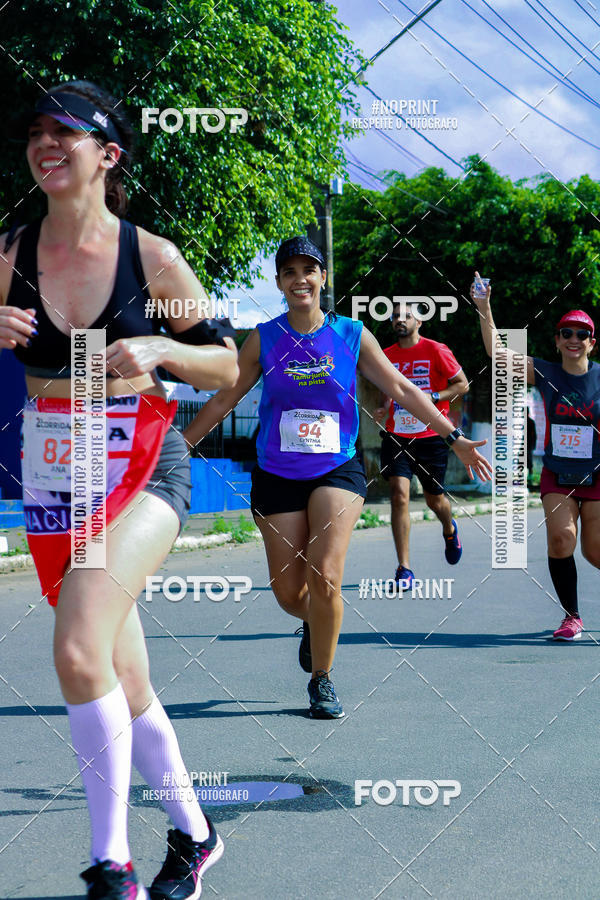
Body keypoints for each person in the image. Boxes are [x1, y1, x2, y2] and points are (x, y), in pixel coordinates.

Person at [1, 81, 239, 899]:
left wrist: (163, 352)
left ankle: (114, 867)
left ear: (108, 155)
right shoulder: (10, 253)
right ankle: (196, 835)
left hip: (145, 467)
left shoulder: (152, 257)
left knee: (76, 650)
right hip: (56, 484)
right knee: (121, 677)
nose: (45, 143)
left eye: (64, 131)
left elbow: (225, 364)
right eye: (36, 131)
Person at [184, 236, 492, 720]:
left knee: (325, 574)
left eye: (309, 270)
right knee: (290, 594)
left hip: (336, 469)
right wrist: (176, 448)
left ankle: (321, 678)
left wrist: (451, 435)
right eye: (289, 272)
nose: (300, 279)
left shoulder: (352, 334)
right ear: (279, 282)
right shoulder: (263, 338)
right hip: (277, 474)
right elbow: (225, 398)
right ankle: (315, 622)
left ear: (323, 278)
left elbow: (401, 387)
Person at [471, 273, 599, 641]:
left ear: (592, 343)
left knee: (595, 550)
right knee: (561, 539)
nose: (574, 339)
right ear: (557, 340)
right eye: (566, 333)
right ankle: (572, 617)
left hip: (597, 475)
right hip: (558, 473)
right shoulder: (545, 371)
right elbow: (497, 354)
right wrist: (484, 307)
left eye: (582, 334)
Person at [374, 302, 469, 588]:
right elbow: (388, 391)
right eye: (395, 316)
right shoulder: (385, 355)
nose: (399, 320)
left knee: (434, 500)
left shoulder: (436, 350)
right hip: (397, 436)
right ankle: (404, 568)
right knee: (399, 495)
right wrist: (383, 407)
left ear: (420, 322)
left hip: (431, 437)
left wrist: (434, 396)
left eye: (407, 316)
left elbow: (462, 384)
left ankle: (449, 528)